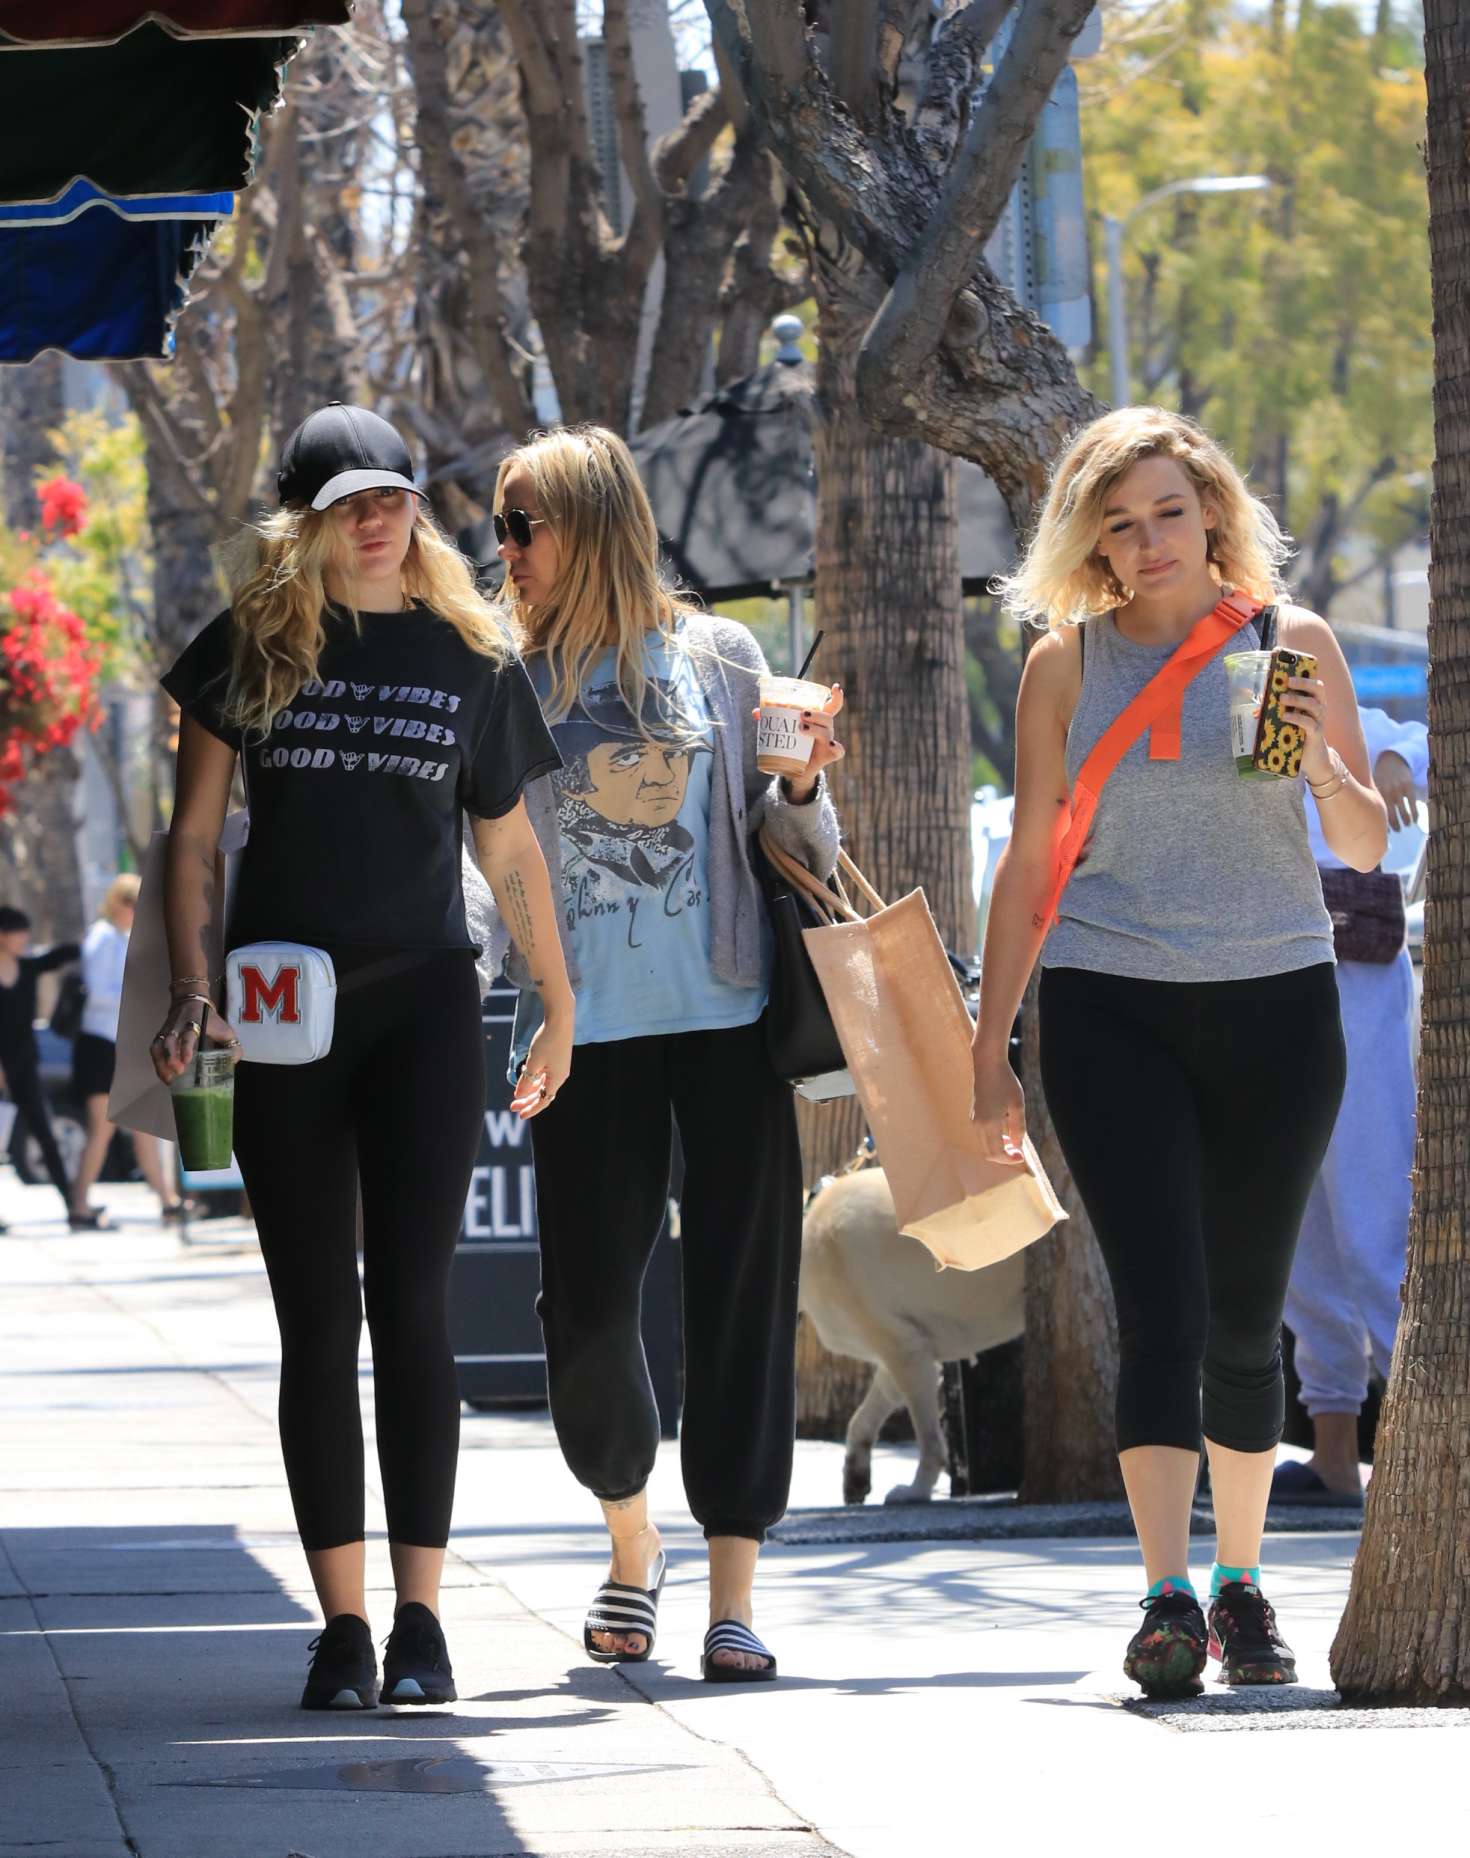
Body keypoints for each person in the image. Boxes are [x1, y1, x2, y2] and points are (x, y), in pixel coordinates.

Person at [150, 402, 573, 1712]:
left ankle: (423, 1618)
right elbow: (191, 840)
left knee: (415, 1308)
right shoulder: (245, 648)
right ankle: (340, 1624)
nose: (379, 516)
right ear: (308, 524)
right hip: (281, 1009)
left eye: (391, 496)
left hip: (426, 1002)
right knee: (314, 1322)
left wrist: (553, 997)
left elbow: (505, 847)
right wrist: (189, 987)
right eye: (348, 502)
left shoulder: (468, 654)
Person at [972, 406, 1386, 1698]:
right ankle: (1162, 1600)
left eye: (1166, 511)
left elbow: (1365, 845)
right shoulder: (1063, 662)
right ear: (1087, 537)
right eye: (1117, 521)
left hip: (1275, 1001)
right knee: (1158, 1307)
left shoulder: (1288, 638)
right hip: (1109, 1005)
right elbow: (1029, 860)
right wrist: (989, 1044)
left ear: (1210, 505)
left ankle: (1242, 1585)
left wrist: (1319, 755)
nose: (1146, 541)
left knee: (1245, 1315)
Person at [490, 425, 844, 1681]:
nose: (506, 552)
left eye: (522, 526)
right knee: (583, 1313)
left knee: (740, 1309)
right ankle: (632, 1542)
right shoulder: (512, 681)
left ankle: (733, 1594)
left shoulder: (718, 656)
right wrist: (528, 985)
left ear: (589, 524)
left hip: (731, 1023)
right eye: (500, 528)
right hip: (590, 1038)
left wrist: (802, 782)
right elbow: (502, 867)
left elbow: (789, 833)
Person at [1272, 708, 1428, 1505]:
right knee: (1301, 1237)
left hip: (1357, 978)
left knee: (1373, 1219)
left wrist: (1398, 755)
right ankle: (1335, 1453)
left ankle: (1432, 1459)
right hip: (1264, 977)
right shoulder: (1213, 688)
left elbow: (1430, 741)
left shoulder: (1330, 696)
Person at [71, 874, 185, 1226]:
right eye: (130, 903)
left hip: (123, 1044)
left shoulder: (126, 939)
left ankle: (168, 1201)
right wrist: (135, 994)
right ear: (115, 903)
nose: (136, 911)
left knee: (143, 1126)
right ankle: (79, 1205)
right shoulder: (103, 937)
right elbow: (96, 989)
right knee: (101, 1131)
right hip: (100, 1044)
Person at [0, 905, 84, 1228]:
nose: (25, 938)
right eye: (19, 931)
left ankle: (73, 1205)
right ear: (3, 936)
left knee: (45, 1134)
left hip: (25, 1066)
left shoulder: (28, 967)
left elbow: (60, 956)